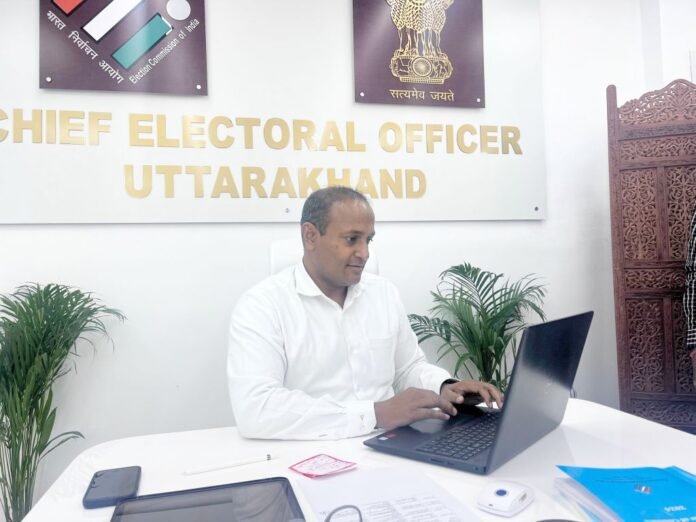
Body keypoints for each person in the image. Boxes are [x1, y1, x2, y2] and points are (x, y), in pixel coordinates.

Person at [227, 187, 503, 440]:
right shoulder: (262, 306)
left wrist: (444, 386)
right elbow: (256, 409)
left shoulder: (383, 293)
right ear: (310, 236)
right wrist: (374, 414)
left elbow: (407, 368)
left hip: (392, 444)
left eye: (368, 240)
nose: (364, 253)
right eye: (352, 239)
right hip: (308, 450)